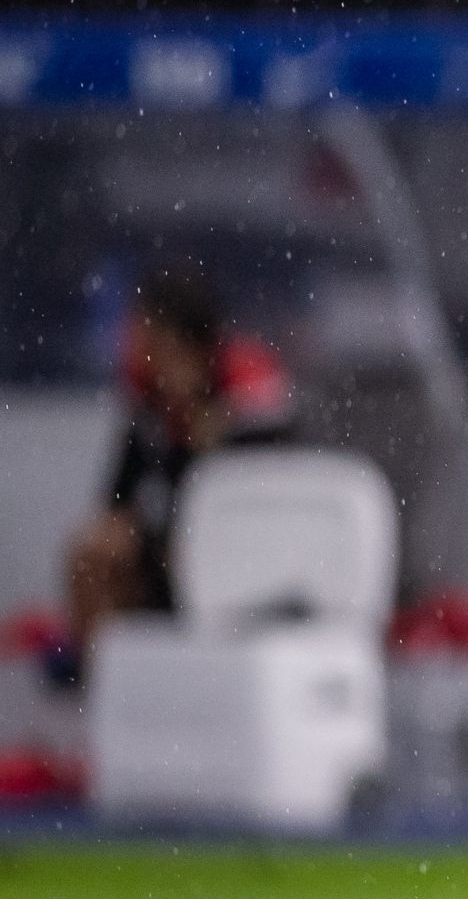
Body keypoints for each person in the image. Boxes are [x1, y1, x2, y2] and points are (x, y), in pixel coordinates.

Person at [56, 262, 294, 685]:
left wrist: (209, 438)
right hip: (171, 552)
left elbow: (272, 501)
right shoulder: (151, 409)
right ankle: (108, 690)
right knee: (93, 554)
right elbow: (116, 503)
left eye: (153, 339)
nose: (140, 350)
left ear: (190, 345)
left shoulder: (253, 403)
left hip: (247, 561)